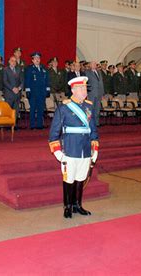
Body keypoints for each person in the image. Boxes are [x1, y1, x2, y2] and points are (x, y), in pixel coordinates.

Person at [48, 76, 99, 218]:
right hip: (70, 149)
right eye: (82, 88)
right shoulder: (64, 108)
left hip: (85, 150)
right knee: (69, 179)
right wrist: (58, 152)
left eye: (85, 88)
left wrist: (95, 149)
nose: (85, 91)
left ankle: (78, 205)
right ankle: (67, 206)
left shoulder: (89, 106)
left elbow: (93, 129)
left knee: (81, 178)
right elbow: (54, 133)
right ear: (73, 90)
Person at [24, 52, 49, 129]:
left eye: (38, 58)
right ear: (32, 60)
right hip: (33, 92)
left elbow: (47, 80)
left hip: (42, 93)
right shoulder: (29, 69)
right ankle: (32, 125)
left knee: (40, 109)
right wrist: (27, 91)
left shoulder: (44, 69)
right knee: (33, 109)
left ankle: (39, 125)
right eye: (35, 58)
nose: (37, 60)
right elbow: (27, 81)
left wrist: (48, 90)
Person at [85, 61, 105, 126]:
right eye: (93, 64)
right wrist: (87, 92)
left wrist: (102, 93)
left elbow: (101, 83)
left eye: (95, 64)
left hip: (99, 94)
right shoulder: (87, 72)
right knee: (90, 109)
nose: (94, 65)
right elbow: (85, 83)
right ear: (90, 65)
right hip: (91, 94)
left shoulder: (99, 72)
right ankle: (90, 123)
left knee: (97, 109)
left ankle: (96, 123)